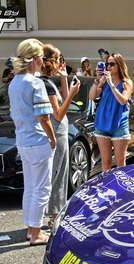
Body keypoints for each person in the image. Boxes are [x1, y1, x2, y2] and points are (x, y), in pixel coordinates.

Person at [8, 38, 56, 246]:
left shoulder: (14, 82)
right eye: (42, 58)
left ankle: (31, 229)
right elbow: (44, 117)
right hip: (37, 141)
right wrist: (53, 139)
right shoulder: (35, 82)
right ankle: (36, 234)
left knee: (30, 187)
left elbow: (13, 114)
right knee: (41, 188)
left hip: (23, 141)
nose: (43, 62)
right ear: (35, 59)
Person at [40, 44, 81, 222]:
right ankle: (54, 215)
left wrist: (64, 79)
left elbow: (62, 101)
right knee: (57, 175)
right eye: (57, 59)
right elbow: (57, 114)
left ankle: (55, 213)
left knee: (60, 174)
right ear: (50, 61)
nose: (60, 62)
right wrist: (72, 94)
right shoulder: (45, 84)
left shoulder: (48, 82)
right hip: (56, 133)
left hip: (60, 133)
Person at [89, 52, 134, 171]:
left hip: (119, 124)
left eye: (112, 64)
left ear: (119, 65)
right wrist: (97, 81)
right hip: (102, 122)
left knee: (120, 162)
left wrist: (111, 84)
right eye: (107, 64)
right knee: (106, 162)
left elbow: (123, 100)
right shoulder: (104, 82)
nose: (109, 66)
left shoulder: (126, 82)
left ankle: (121, 188)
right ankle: (106, 188)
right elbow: (92, 96)